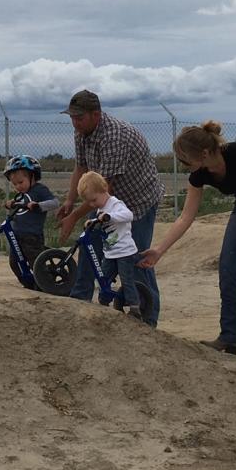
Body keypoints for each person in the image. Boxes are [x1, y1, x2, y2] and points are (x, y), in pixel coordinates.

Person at [138, 121, 236, 363]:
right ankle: (230, 337)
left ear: (203, 153)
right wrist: (159, 249)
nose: (184, 166)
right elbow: (185, 216)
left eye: (185, 160)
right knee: (227, 270)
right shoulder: (199, 175)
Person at [55, 89, 164, 327]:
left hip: (137, 202)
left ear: (96, 114)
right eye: (72, 117)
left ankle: (148, 320)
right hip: (104, 200)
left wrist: (74, 217)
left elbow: (107, 188)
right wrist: (69, 201)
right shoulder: (82, 131)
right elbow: (81, 167)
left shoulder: (115, 136)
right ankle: (80, 301)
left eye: (79, 118)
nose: (74, 123)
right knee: (89, 243)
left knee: (135, 258)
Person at [76, 171, 142, 321]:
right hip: (110, 253)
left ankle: (135, 307)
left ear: (103, 189)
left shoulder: (115, 204)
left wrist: (110, 216)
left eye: (94, 200)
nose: (92, 205)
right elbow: (101, 224)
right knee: (103, 278)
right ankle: (103, 303)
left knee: (126, 280)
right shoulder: (100, 209)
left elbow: (128, 215)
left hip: (125, 252)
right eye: (89, 203)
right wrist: (91, 223)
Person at [2, 155, 59, 288]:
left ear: (33, 176)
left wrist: (38, 205)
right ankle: (29, 285)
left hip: (32, 236)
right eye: (14, 184)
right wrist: (11, 203)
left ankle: (47, 285)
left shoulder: (39, 190)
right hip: (17, 235)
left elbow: (55, 202)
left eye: (21, 182)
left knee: (36, 262)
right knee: (14, 262)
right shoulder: (22, 194)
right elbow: (19, 204)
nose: (18, 187)